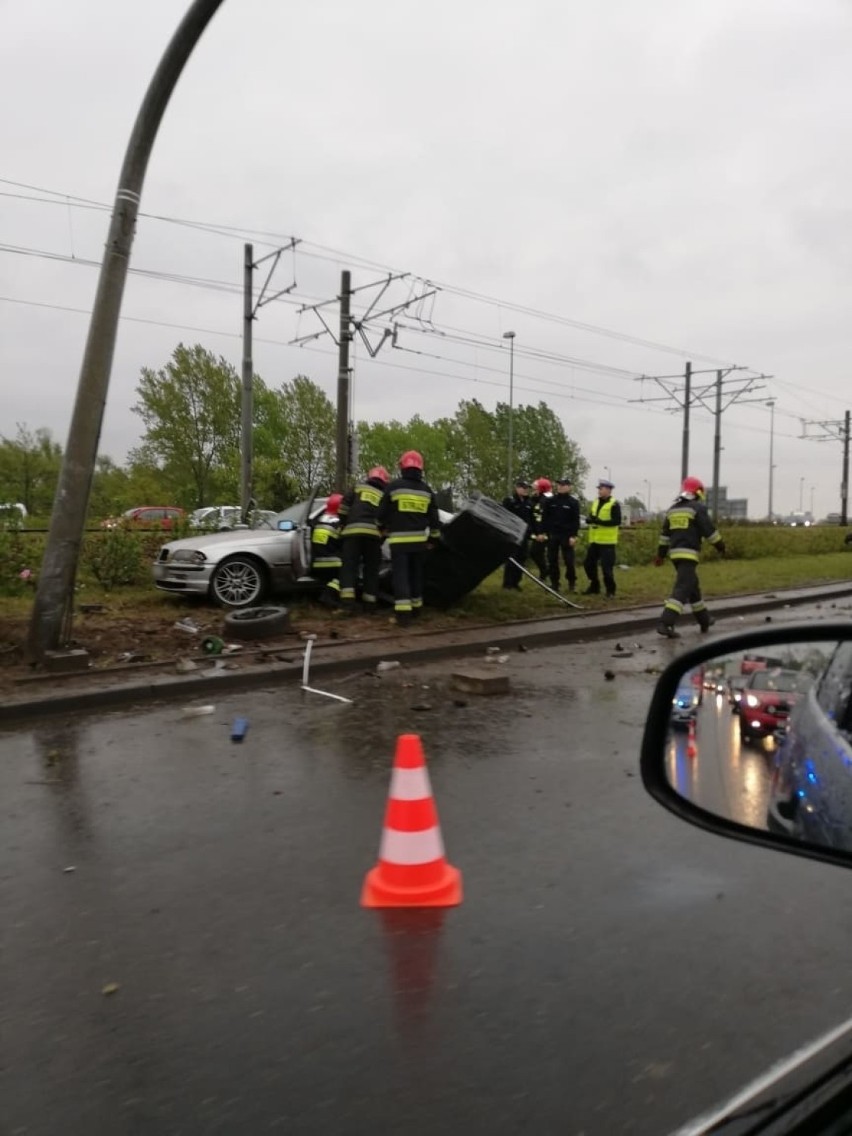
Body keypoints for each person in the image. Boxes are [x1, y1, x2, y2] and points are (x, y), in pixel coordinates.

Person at [654, 475, 726, 638]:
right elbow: (709, 531)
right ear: (697, 492)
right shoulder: (697, 508)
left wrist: (660, 555)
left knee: (693, 588)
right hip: (689, 554)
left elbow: (664, 536)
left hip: (675, 555)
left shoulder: (672, 510)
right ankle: (666, 623)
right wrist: (721, 546)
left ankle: (704, 619)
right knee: (682, 589)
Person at [377, 450, 440, 627]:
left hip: (399, 543)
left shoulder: (394, 487)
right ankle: (416, 610)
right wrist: (432, 541)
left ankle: (403, 617)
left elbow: (381, 513)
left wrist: (381, 527)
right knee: (416, 576)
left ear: (402, 466)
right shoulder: (427, 491)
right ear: (421, 468)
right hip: (419, 543)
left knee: (401, 577)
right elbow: (435, 522)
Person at [338, 466, 390, 613]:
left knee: (349, 567)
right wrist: (381, 536)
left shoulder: (358, 487)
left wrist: (343, 523)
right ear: (385, 480)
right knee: (372, 570)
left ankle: (347, 605)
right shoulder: (384, 495)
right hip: (373, 536)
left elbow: (343, 508)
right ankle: (370, 605)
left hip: (352, 534)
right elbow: (386, 520)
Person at [583, 478, 622, 597]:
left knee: (606, 569)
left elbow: (616, 521)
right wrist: (590, 520)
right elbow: (592, 516)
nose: (599, 491)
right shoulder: (595, 502)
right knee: (588, 564)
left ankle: (610, 591)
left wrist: (600, 522)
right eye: (599, 489)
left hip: (607, 542)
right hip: (595, 540)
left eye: (601, 489)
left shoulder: (614, 504)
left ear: (609, 490)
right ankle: (594, 586)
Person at [543, 476, 580, 592]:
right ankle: (555, 583)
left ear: (569, 487)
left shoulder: (573, 502)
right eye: (559, 484)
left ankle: (571, 583)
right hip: (553, 534)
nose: (560, 487)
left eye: (563, 485)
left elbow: (576, 521)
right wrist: (545, 532)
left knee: (569, 561)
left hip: (567, 535)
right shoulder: (551, 501)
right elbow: (545, 517)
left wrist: (573, 536)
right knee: (552, 560)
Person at [310, 492, 343, 607]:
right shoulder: (338, 524)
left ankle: (325, 590)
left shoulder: (317, 521)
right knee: (348, 572)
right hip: (332, 564)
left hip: (315, 564)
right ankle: (328, 595)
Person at [501, 479, 533, 590]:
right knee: (512, 559)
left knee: (522, 558)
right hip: (513, 534)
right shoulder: (509, 501)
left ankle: (516, 582)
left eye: (527, 488)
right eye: (523, 488)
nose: (525, 490)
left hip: (524, 535)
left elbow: (531, 519)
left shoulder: (528, 503)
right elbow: (504, 516)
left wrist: (531, 531)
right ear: (517, 488)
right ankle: (508, 583)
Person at [529, 477, 552, 580]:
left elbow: (545, 518)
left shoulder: (546, 500)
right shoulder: (537, 499)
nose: (534, 490)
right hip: (538, 532)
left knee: (535, 552)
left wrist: (542, 533)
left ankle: (546, 571)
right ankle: (545, 572)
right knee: (536, 552)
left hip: (545, 533)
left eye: (536, 488)